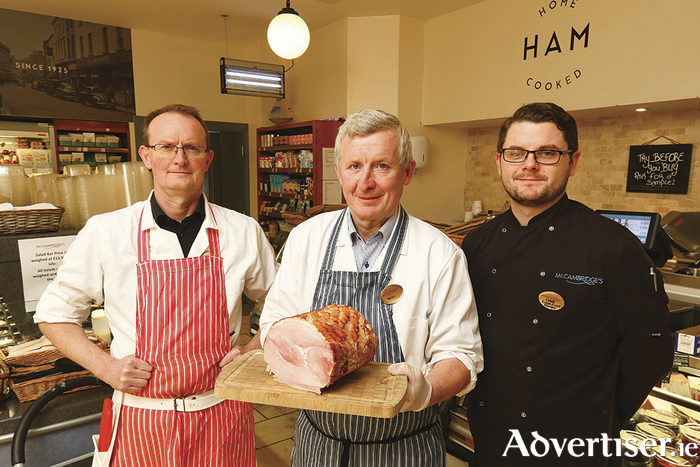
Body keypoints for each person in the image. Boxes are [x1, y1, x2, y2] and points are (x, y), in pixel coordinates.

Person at [34, 104, 277, 466]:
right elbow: (53, 314)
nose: (179, 159)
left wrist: (254, 349)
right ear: (146, 156)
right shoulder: (107, 231)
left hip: (222, 412)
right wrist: (105, 367)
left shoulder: (242, 231)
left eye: (191, 148)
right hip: (140, 417)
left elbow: (282, 304)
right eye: (167, 147)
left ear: (207, 159)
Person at [258, 109, 483, 466]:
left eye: (382, 166)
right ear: (339, 172)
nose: (366, 182)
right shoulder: (305, 239)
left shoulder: (439, 253)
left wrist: (426, 390)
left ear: (407, 172)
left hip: (404, 445)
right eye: (354, 166)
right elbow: (273, 325)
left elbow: (461, 354)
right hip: (320, 444)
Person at [461, 102, 674, 466]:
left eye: (547, 153)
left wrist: (597, 420)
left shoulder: (614, 247)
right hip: (492, 437)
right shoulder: (477, 242)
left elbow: (650, 353)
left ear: (572, 163)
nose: (529, 164)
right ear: (500, 162)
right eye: (516, 153)